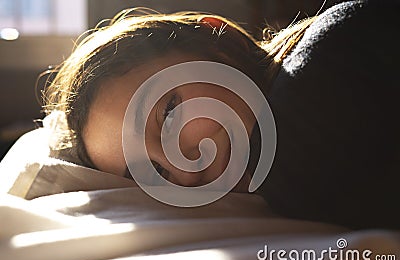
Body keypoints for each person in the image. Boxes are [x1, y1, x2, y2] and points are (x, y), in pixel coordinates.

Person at [42, 0, 400, 229]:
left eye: (169, 114)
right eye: (155, 171)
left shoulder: (322, 73)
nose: (185, 171)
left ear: (220, 38)